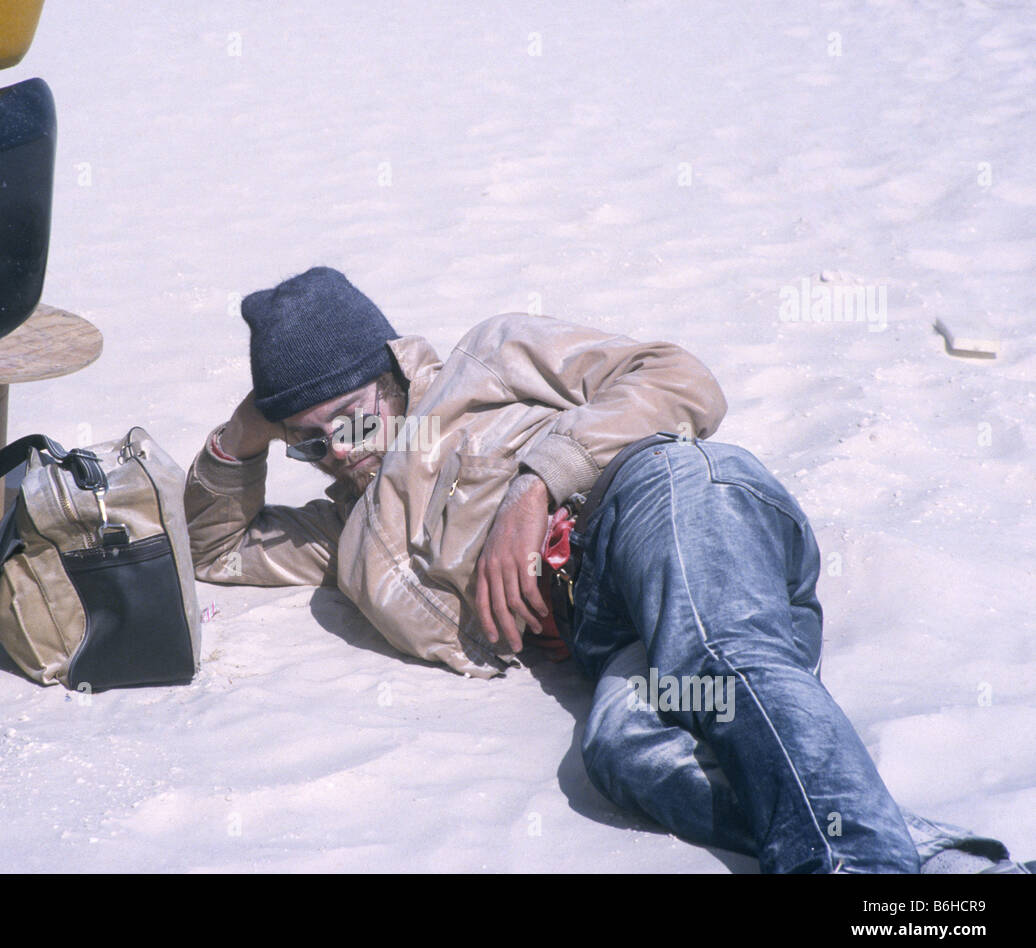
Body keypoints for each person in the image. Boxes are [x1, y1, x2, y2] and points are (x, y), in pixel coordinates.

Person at [184, 265, 1024, 874]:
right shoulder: (349, 532)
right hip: (615, 630)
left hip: (666, 506)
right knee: (626, 749)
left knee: (715, 653)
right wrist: (238, 438)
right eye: (308, 443)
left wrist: (536, 480)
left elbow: (679, 379)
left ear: (392, 378)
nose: (338, 453)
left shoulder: (491, 359)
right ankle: (932, 870)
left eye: (351, 423)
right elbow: (216, 549)